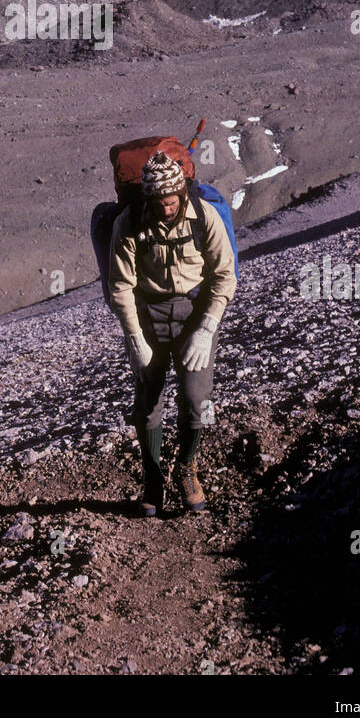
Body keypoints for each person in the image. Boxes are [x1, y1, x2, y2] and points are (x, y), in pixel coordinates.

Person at [107, 151, 237, 516]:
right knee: (147, 406)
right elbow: (120, 286)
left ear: (182, 194)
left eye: (173, 201)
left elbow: (225, 275)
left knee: (197, 400)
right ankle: (152, 479)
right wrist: (134, 339)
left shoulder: (204, 216)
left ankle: (187, 467)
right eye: (160, 203)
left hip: (196, 315)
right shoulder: (129, 223)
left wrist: (207, 327)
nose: (167, 209)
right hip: (149, 317)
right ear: (149, 199)